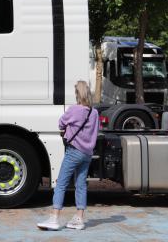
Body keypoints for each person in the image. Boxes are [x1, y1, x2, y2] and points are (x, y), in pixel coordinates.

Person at [37, 81, 99, 231]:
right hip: (87, 153)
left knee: (61, 184)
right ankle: (79, 218)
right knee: (81, 185)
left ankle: (55, 217)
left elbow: (61, 123)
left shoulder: (74, 109)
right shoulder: (94, 112)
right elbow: (95, 132)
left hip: (73, 151)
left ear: (77, 94)